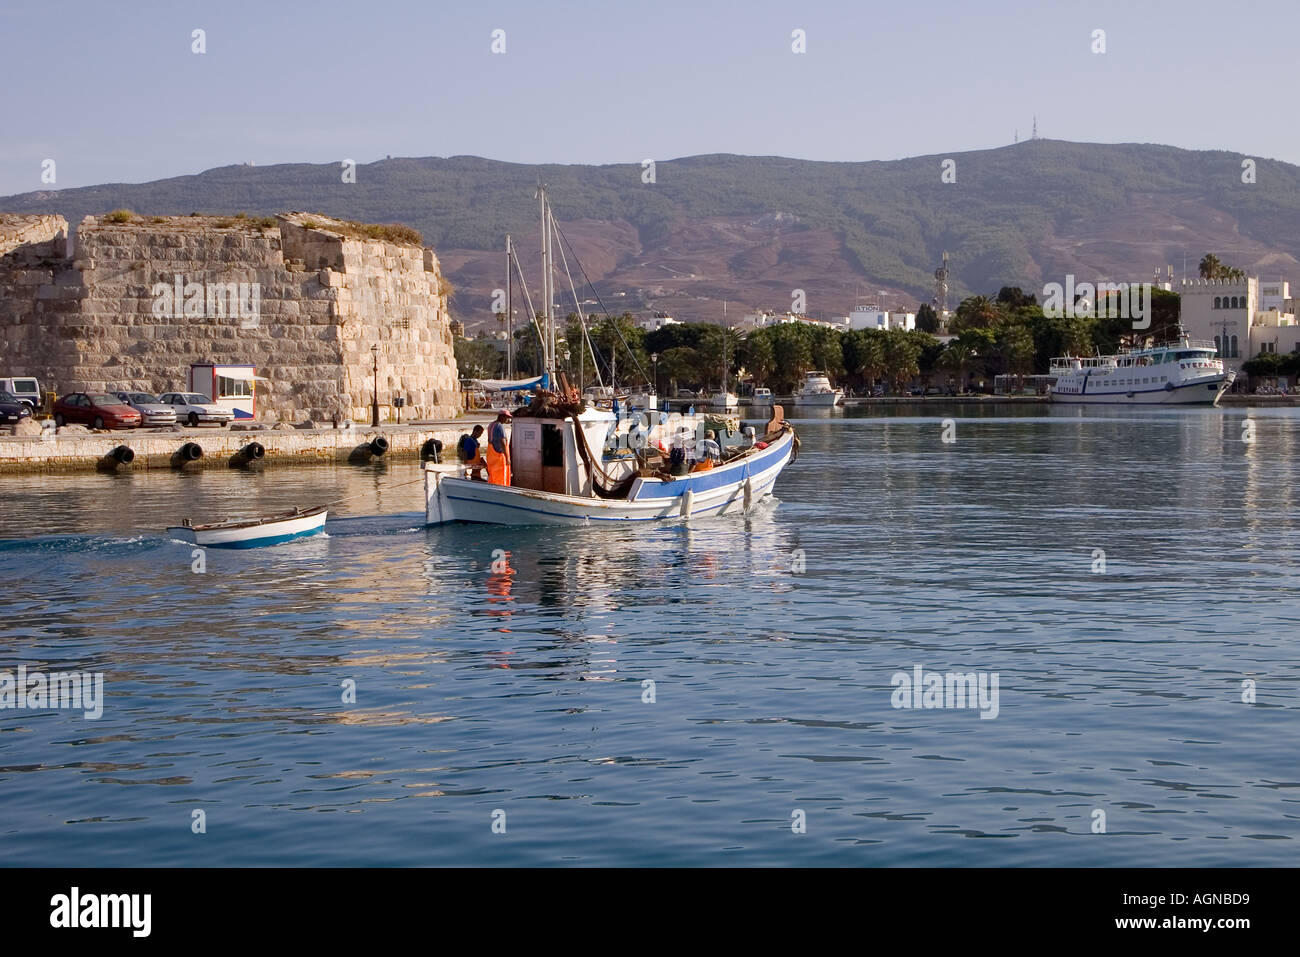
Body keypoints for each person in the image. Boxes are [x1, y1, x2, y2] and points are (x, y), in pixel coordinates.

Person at [485, 410, 512, 486]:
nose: (508, 420)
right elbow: (503, 443)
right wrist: (507, 458)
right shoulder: (499, 426)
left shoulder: (491, 425)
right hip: (499, 457)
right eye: (507, 418)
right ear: (502, 417)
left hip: (491, 456)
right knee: (501, 479)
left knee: (493, 477)